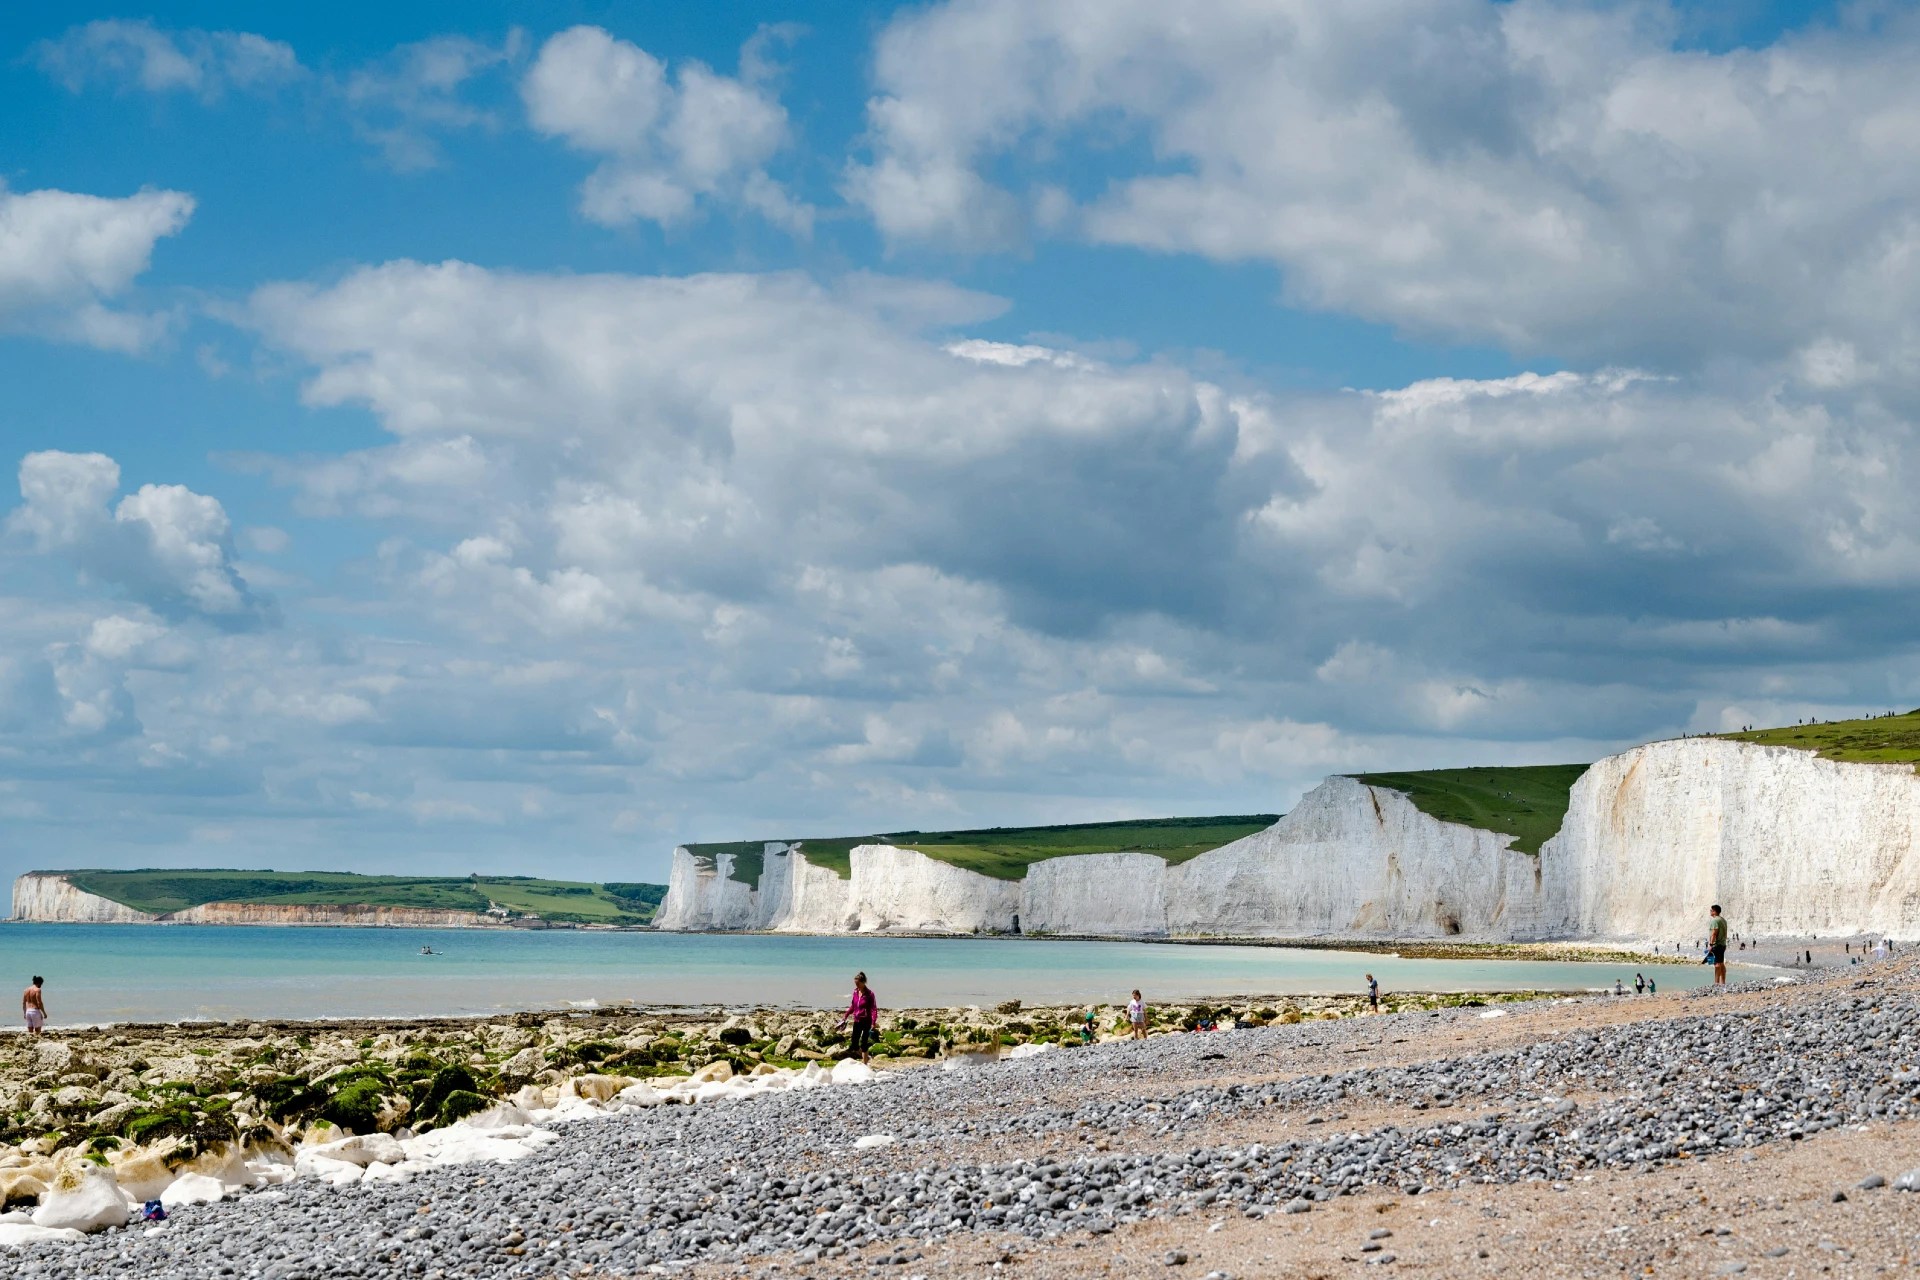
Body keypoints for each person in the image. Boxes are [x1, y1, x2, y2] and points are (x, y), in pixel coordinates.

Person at [837, 971, 878, 1064]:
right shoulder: (855, 992)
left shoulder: (870, 994)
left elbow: (874, 1009)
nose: (857, 986)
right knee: (854, 1043)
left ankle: (865, 1063)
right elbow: (853, 1006)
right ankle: (867, 1057)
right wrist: (845, 1016)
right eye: (855, 984)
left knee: (864, 1043)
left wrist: (873, 1022)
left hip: (867, 1021)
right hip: (857, 1020)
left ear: (863, 982)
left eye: (858, 984)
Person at [1707, 905, 1729, 988]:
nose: (1710, 911)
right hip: (1723, 944)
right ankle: (1723, 982)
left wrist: (1711, 945)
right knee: (1721, 963)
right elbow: (1725, 933)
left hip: (1717, 945)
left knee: (1717, 964)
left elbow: (1714, 933)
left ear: (1714, 911)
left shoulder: (1715, 920)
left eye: (1711, 910)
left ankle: (1716, 983)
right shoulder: (1723, 920)